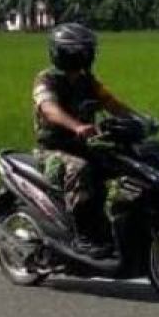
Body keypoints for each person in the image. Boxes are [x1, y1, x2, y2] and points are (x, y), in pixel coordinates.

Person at [33, 23, 135, 259]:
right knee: (81, 170)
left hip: (82, 146)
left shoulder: (88, 81)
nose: (87, 55)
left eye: (88, 50)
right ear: (65, 53)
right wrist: (76, 126)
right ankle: (82, 237)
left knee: (123, 165)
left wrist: (140, 120)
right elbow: (49, 109)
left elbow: (112, 104)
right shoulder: (46, 80)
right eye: (82, 50)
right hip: (52, 150)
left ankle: (112, 229)